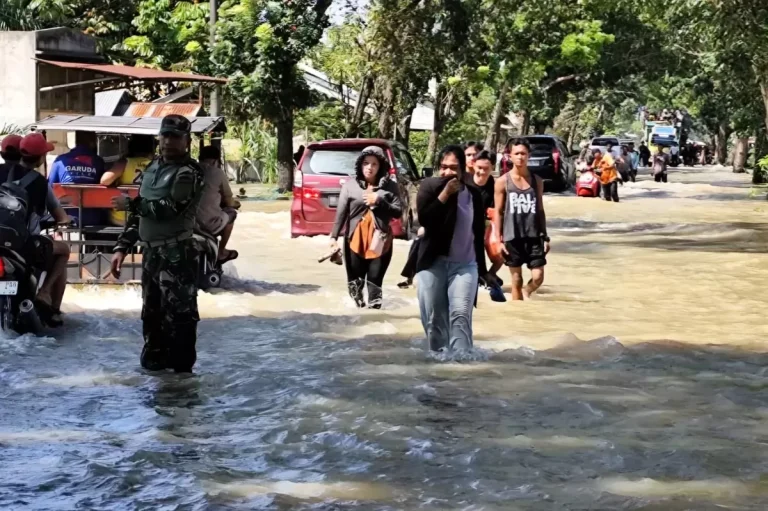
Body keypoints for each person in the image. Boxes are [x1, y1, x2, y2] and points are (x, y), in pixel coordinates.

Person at [109, 115, 205, 373]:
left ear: (187, 140)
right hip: (151, 253)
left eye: (175, 136)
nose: (168, 141)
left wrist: (131, 204)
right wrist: (122, 247)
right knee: (152, 315)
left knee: (180, 319)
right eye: (165, 135)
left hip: (177, 254)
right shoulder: (153, 168)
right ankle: (153, 375)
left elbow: (170, 209)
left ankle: (182, 382)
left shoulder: (189, 172)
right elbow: (140, 215)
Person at [416, 145, 490, 352]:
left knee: (460, 317)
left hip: (465, 266)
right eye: (444, 167)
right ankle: (439, 366)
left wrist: (484, 271)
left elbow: (477, 236)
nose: (448, 172)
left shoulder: (474, 195)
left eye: (453, 168)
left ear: (463, 170)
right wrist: (445, 194)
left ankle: (461, 365)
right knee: (435, 322)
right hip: (433, 264)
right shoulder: (429, 187)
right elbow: (425, 220)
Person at [5, 133, 72, 326]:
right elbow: (61, 217)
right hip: (26, 245)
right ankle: (46, 296)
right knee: (64, 250)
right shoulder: (40, 183)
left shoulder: (2, 172)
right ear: (42, 157)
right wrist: (64, 221)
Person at [329, 146, 402, 309]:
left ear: (380, 166)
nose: (369, 167)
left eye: (374, 164)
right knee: (354, 285)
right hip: (354, 241)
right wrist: (333, 238)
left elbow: (398, 212)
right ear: (360, 165)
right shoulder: (349, 186)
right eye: (366, 163)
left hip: (380, 243)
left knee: (375, 284)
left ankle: (374, 324)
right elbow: (340, 214)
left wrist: (379, 201)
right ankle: (358, 318)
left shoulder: (391, 186)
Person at [493, 138, 550, 301]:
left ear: (529, 156)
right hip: (512, 236)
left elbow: (540, 209)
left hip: (534, 236)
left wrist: (545, 236)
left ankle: (528, 291)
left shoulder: (536, 181)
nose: (520, 157)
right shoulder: (502, 182)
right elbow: (498, 211)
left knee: (538, 277)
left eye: (523, 153)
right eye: (516, 153)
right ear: (510, 156)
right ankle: (517, 311)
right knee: (516, 280)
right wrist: (499, 240)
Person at [466, 150, 504, 301]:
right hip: (465, 226)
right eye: (479, 168)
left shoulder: (494, 186)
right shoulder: (464, 181)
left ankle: (489, 274)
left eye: (486, 169)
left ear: (492, 168)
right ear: (473, 165)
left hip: (485, 226)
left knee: (503, 250)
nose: (482, 172)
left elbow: (499, 210)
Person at [48, 131, 106, 227]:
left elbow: (51, 185)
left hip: (67, 216)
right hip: (94, 218)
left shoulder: (60, 160)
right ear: (92, 141)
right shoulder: (98, 161)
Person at [196, 145, 239, 263]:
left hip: (188, 224)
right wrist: (236, 204)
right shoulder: (218, 173)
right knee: (232, 214)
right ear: (215, 161)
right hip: (209, 224)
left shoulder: (188, 171)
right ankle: (221, 251)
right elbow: (229, 201)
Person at [101, 135, 156, 226]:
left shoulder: (125, 162)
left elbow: (105, 181)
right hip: (146, 218)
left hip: (121, 219)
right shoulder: (156, 166)